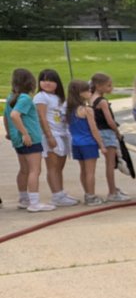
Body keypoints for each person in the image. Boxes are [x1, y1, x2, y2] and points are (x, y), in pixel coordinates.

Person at [5, 68, 54, 212]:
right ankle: (34, 202)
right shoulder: (25, 98)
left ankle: (24, 198)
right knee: (35, 170)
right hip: (30, 139)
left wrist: (10, 133)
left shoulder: (11, 97)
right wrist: (25, 134)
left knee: (24, 170)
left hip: (17, 139)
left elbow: (7, 118)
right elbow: (14, 115)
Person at [34, 69, 77, 206]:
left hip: (63, 134)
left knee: (59, 166)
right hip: (52, 135)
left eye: (51, 80)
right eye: (44, 79)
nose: (47, 83)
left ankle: (60, 192)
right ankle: (56, 195)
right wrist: (49, 136)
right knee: (53, 166)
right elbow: (42, 117)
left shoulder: (59, 99)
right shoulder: (41, 97)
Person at [89, 72, 131, 202]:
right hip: (107, 132)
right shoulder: (102, 102)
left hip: (98, 132)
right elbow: (110, 120)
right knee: (111, 164)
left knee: (110, 163)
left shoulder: (91, 98)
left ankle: (113, 189)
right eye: (108, 85)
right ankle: (112, 192)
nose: (111, 88)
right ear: (98, 86)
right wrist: (117, 132)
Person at [66, 79, 104, 206]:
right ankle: (91, 196)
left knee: (83, 170)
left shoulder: (70, 110)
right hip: (88, 143)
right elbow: (94, 129)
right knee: (90, 172)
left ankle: (87, 193)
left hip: (76, 143)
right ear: (80, 93)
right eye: (87, 90)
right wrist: (101, 145)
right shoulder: (87, 110)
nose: (90, 92)